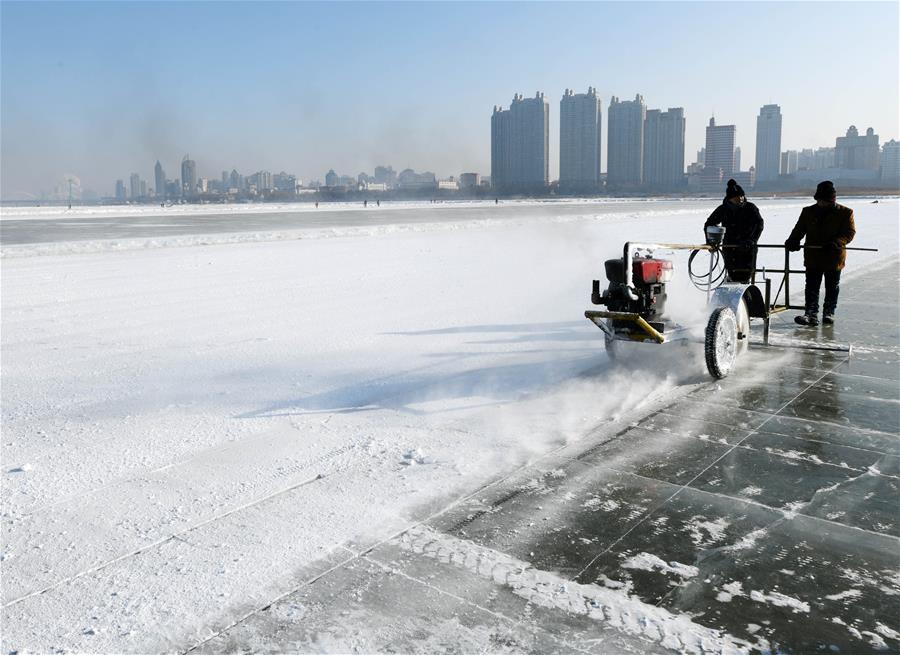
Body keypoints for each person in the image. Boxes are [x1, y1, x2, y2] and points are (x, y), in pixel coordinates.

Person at [785, 181, 855, 326]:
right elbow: (799, 229)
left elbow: (849, 232)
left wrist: (837, 242)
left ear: (832, 200)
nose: (821, 204)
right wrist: (793, 241)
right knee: (811, 285)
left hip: (833, 256)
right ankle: (810, 313)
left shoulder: (845, 213)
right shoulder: (808, 212)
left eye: (825, 201)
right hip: (813, 256)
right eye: (819, 201)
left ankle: (829, 312)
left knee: (832, 286)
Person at [703, 179, 764, 283]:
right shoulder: (723, 209)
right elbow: (709, 224)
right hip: (730, 248)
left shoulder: (751, 208)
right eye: (737, 197)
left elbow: (759, 225)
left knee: (745, 276)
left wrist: (752, 240)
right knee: (733, 275)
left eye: (742, 196)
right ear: (730, 199)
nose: (740, 199)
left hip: (748, 248)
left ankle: (746, 294)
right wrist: (711, 241)